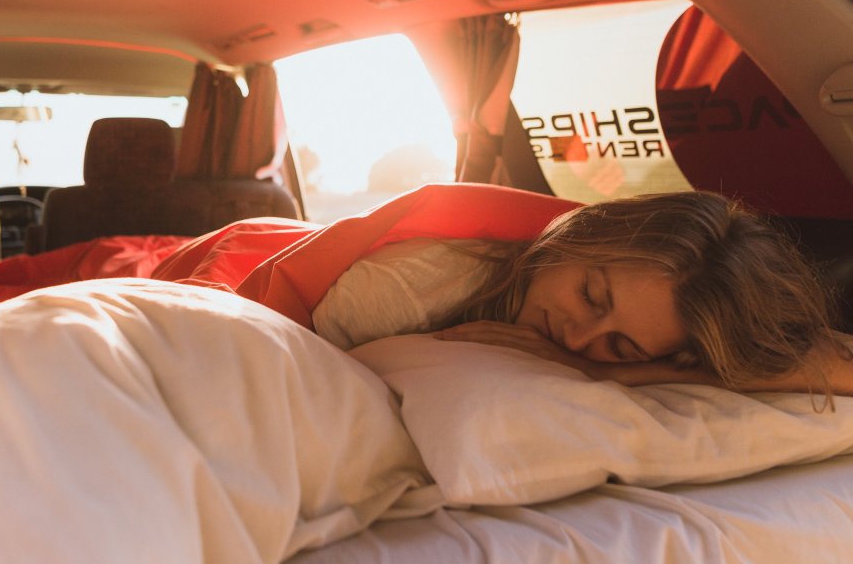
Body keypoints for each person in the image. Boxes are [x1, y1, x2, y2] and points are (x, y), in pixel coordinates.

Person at [311, 189, 851, 399]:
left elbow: (838, 365)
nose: (578, 335)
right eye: (592, 296)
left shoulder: (617, 353)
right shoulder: (399, 291)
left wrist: (616, 373)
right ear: (582, 235)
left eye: (621, 344)